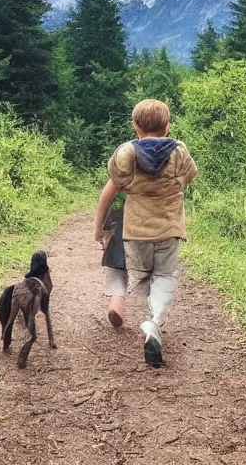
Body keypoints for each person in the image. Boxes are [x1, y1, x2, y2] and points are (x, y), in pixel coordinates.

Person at [93, 99, 199, 368]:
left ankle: (136, 308)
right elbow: (188, 178)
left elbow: (111, 189)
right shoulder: (179, 150)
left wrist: (99, 228)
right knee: (164, 275)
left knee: (142, 278)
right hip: (169, 228)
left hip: (136, 230)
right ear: (167, 127)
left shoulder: (126, 152)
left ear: (135, 126)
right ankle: (154, 323)